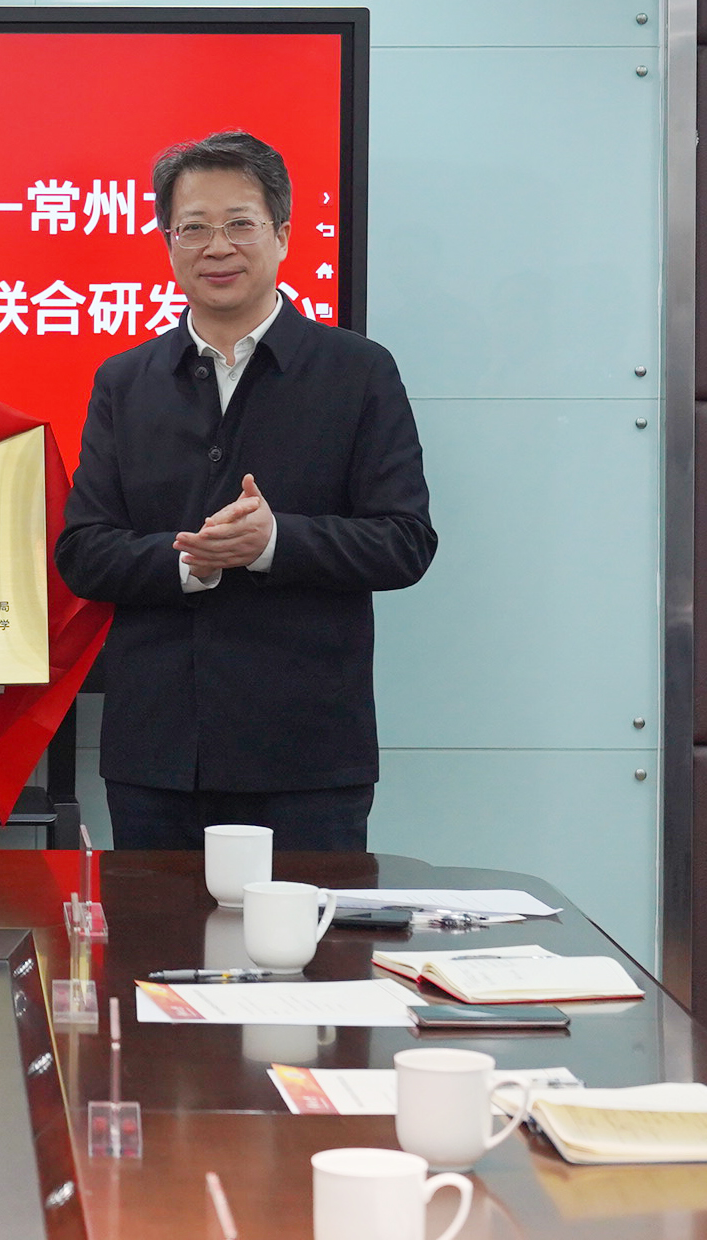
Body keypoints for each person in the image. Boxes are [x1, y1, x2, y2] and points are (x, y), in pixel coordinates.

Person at [56, 130, 436, 851]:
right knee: (155, 930)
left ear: (282, 235)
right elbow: (84, 551)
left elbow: (405, 541)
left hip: (307, 757)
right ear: (169, 243)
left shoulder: (357, 372)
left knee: (310, 930)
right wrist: (187, 561)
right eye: (193, 228)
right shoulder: (126, 381)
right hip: (159, 757)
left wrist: (273, 543)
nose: (217, 247)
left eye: (239, 224)